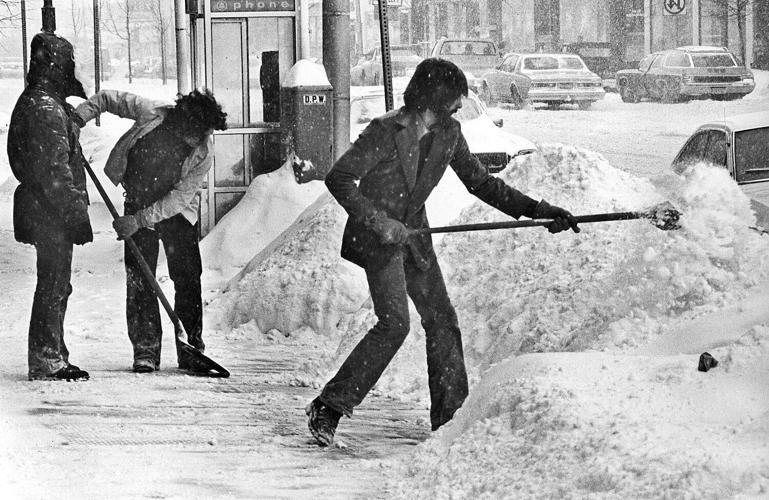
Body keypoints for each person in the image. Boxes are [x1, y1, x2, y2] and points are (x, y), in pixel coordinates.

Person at [306, 58, 580, 446]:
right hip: (378, 240)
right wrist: (378, 220)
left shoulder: (450, 133)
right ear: (434, 97)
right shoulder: (387, 131)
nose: (458, 107)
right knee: (394, 323)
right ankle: (329, 406)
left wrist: (538, 209)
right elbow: (340, 178)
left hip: (414, 237)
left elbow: (481, 183)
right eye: (454, 99)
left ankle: (450, 420)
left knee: (442, 319)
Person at [75, 89, 227, 373]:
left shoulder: (203, 152)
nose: (205, 139)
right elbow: (108, 98)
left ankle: (191, 346)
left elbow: (178, 199)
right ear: (184, 122)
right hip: (138, 199)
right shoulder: (151, 113)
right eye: (200, 132)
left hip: (176, 213)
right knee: (140, 279)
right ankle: (145, 349)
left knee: (188, 278)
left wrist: (139, 220)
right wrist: (78, 117)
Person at [7, 33, 92, 382]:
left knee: (55, 283)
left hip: (45, 208)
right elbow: (55, 172)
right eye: (67, 64)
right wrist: (75, 214)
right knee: (54, 283)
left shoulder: (43, 103)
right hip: (50, 211)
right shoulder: (44, 109)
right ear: (56, 66)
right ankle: (46, 359)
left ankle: (52, 352)